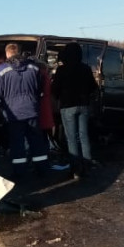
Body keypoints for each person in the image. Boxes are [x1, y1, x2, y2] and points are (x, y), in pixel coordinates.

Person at [0, 43, 49, 179]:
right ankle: (42, 170)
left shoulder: (1, 70)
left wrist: (0, 108)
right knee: (37, 142)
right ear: (20, 52)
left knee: (17, 143)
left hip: (13, 114)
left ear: (7, 54)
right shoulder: (34, 67)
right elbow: (39, 88)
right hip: (32, 110)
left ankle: (19, 172)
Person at [51, 42, 98, 179]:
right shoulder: (86, 68)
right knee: (83, 136)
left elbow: (55, 89)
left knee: (71, 139)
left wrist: (59, 97)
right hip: (83, 105)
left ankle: (75, 169)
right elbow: (93, 87)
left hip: (68, 106)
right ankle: (87, 165)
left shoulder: (62, 70)